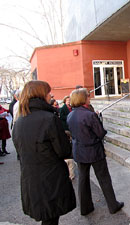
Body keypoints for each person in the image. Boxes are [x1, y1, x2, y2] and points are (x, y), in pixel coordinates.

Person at [12, 80, 76, 225]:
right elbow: (64, 151)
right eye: (48, 92)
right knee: (51, 219)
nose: (51, 95)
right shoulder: (49, 119)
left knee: (48, 218)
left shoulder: (20, 120)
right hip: (50, 179)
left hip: (31, 179)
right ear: (40, 95)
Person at [67, 88, 124, 216]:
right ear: (83, 98)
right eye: (88, 96)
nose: (90, 97)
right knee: (104, 178)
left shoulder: (71, 114)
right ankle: (112, 205)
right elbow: (100, 132)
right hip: (94, 150)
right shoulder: (89, 115)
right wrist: (98, 120)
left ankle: (85, 207)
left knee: (83, 179)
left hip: (79, 151)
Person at [59, 96, 75, 180]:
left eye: (69, 100)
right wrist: (69, 116)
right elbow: (61, 117)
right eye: (67, 100)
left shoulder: (72, 107)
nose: (69, 101)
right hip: (66, 126)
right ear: (65, 101)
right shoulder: (63, 108)